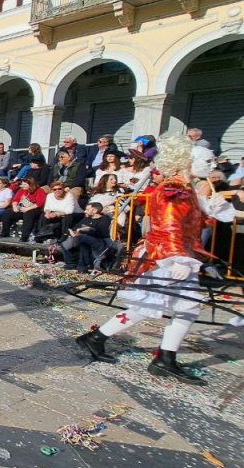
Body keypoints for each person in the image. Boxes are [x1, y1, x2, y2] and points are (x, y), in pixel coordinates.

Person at [74, 132, 220, 385]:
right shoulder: (174, 190)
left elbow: (191, 225)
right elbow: (169, 226)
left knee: (173, 306)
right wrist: (178, 260)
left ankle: (113, 342)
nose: (213, 166)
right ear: (185, 160)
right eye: (207, 161)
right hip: (168, 257)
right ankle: (160, 357)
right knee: (173, 306)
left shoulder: (187, 189)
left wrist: (212, 211)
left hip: (176, 256)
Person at [58, 202, 111, 272]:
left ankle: (82, 266)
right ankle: (71, 263)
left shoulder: (104, 220)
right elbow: (75, 228)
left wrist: (85, 230)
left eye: (87, 209)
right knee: (66, 242)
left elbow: (101, 233)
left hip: (99, 242)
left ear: (94, 210)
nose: (85, 211)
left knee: (82, 239)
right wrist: (72, 232)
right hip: (82, 239)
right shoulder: (86, 219)